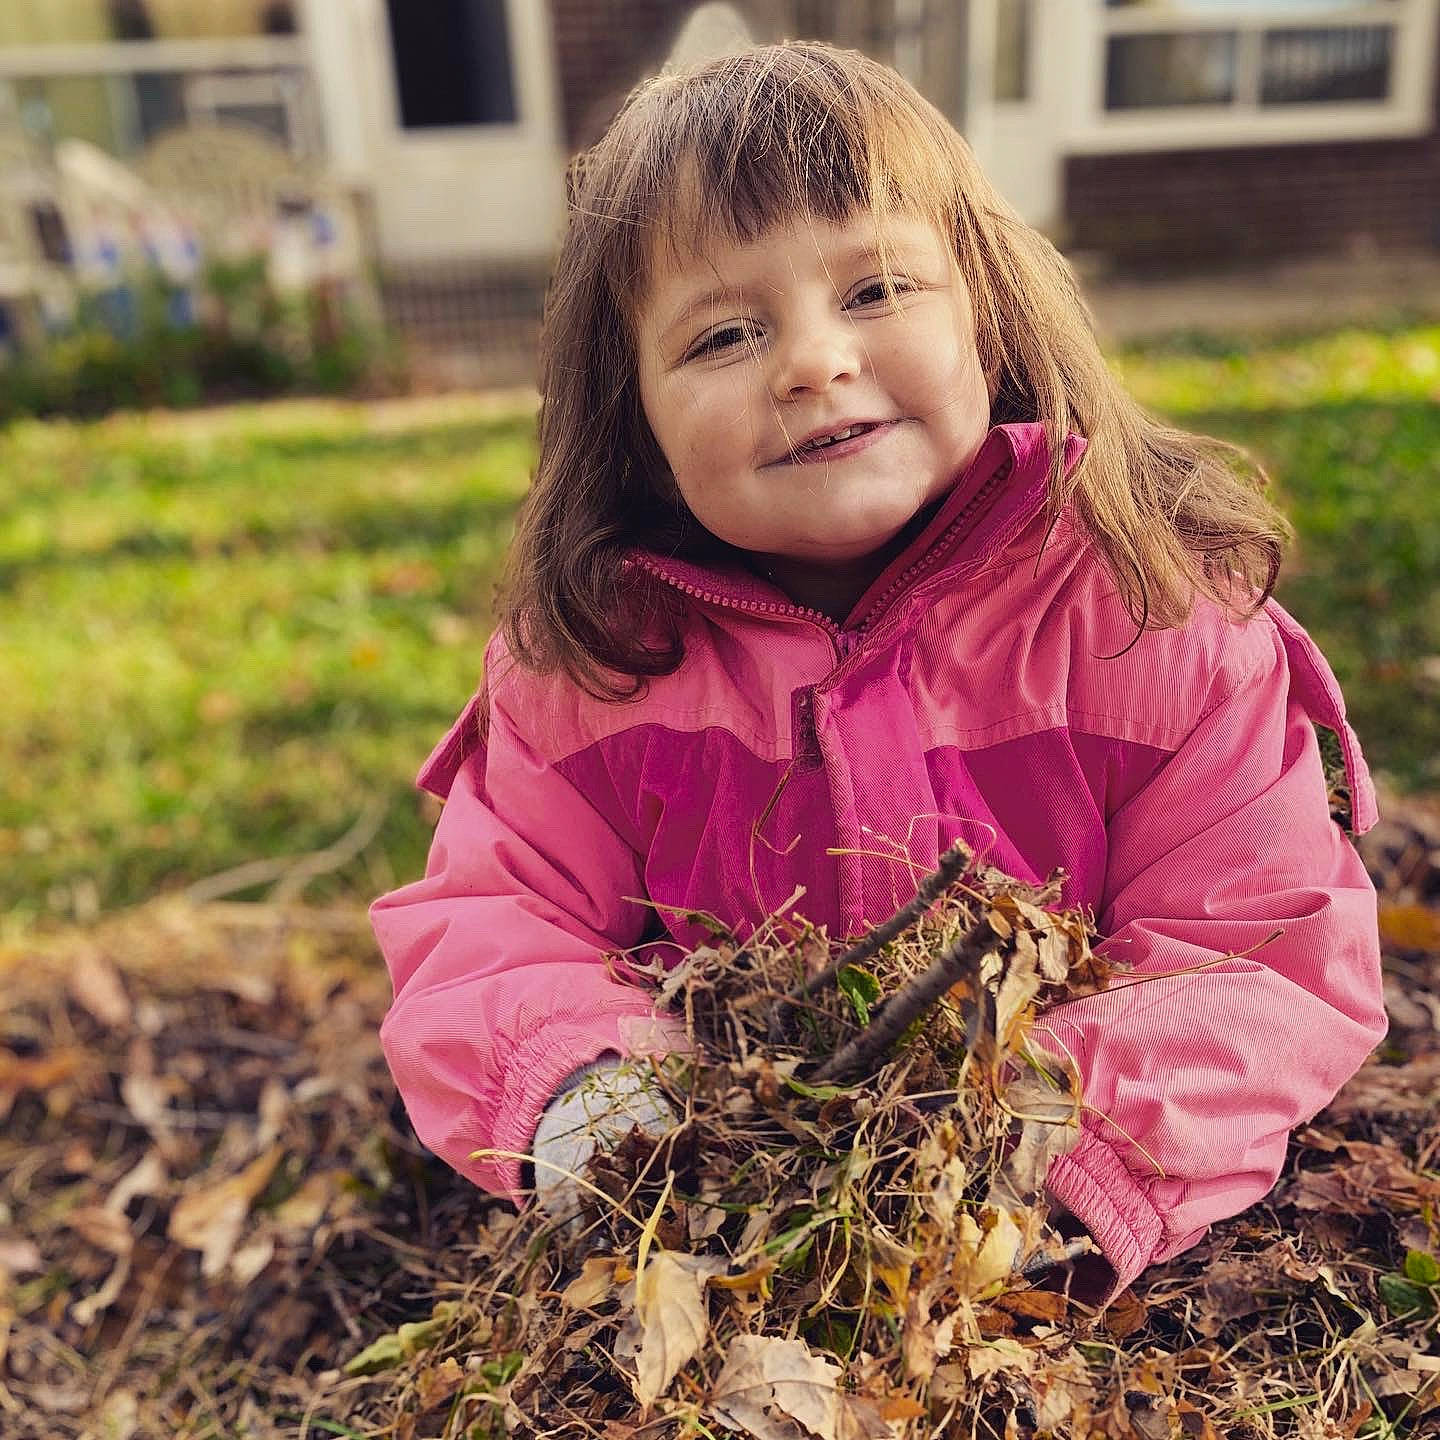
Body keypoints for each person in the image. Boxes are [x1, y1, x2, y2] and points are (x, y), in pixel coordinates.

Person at [371, 42, 1385, 1300]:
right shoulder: (594, 673)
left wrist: (1043, 1152)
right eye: (725, 334)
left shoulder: (1154, 620)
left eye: (876, 290)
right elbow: (495, 928)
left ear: (988, 307)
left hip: (1078, 1246)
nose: (810, 360)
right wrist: (600, 1105)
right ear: (628, 415)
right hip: (720, 1243)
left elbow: (1255, 949)